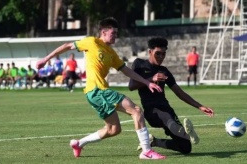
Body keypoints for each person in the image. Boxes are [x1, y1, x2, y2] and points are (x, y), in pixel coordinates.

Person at [35, 17, 166, 160]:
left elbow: (126, 70)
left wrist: (146, 82)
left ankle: (79, 143)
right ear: (103, 32)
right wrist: (46, 59)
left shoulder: (111, 52)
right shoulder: (91, 42)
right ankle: (146, 151)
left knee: (114, 129)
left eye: (116, 33)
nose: (116, 36)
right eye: (113, 33)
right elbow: (67, 45)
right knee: (136, 110)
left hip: (96, 94)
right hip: (98, 90)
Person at [129, 37, 214, 154]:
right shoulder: (139, 64)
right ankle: (187, 133)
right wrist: (150, 79)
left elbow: (179, 92)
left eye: (163, 54)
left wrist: (200, 106)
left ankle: (154, 141)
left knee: (186, 148)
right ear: (150, 52)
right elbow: (131, 86)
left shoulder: (164, 71)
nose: (161, 57)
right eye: (157, 53)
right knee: (169, 121)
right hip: (152, 111)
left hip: (166, 108)